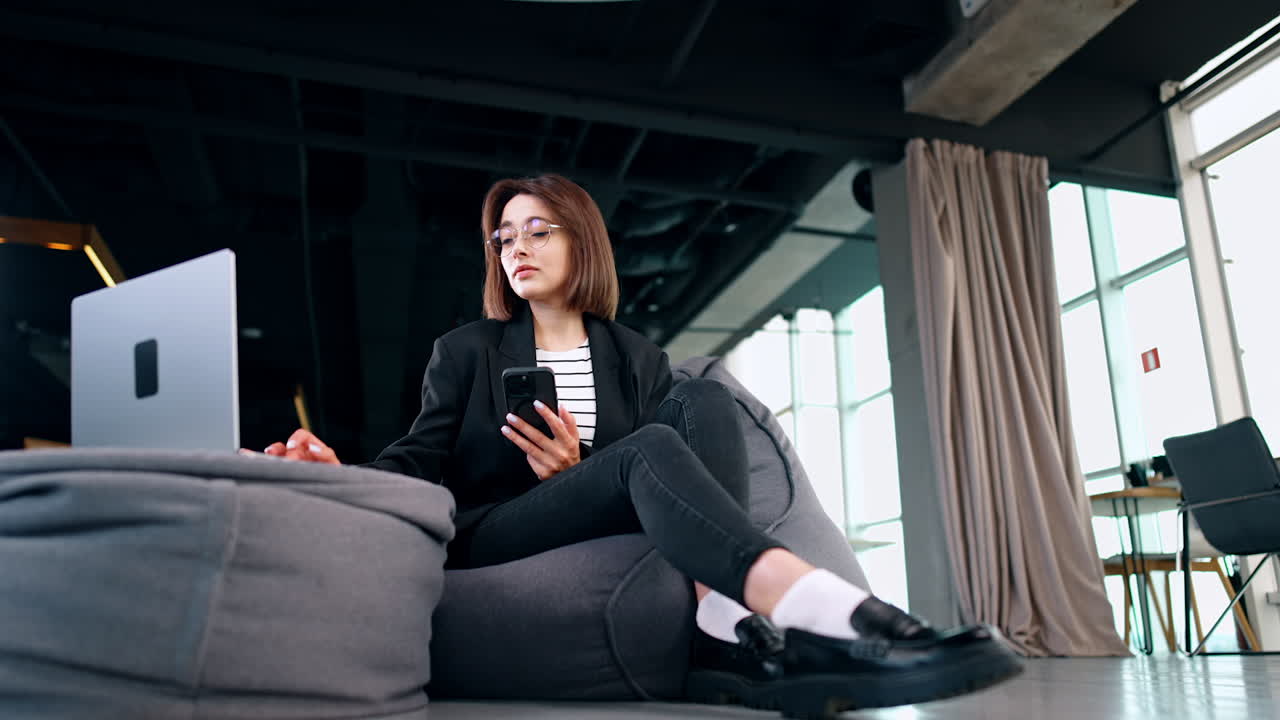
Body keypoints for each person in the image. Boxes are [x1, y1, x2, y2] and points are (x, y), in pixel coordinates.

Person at [261, 174, 1021, 717]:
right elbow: (419, 457)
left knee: (700, 398)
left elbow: (664, 468)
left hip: (610, 509)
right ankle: (823, 607)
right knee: (643, 448)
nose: (515, 248)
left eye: (537, 230)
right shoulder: (466, 349)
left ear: (581, 242)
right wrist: (343, 476)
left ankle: (722, 624)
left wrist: (579, 471)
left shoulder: (636, 357)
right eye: (503, 238)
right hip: (496, 530)